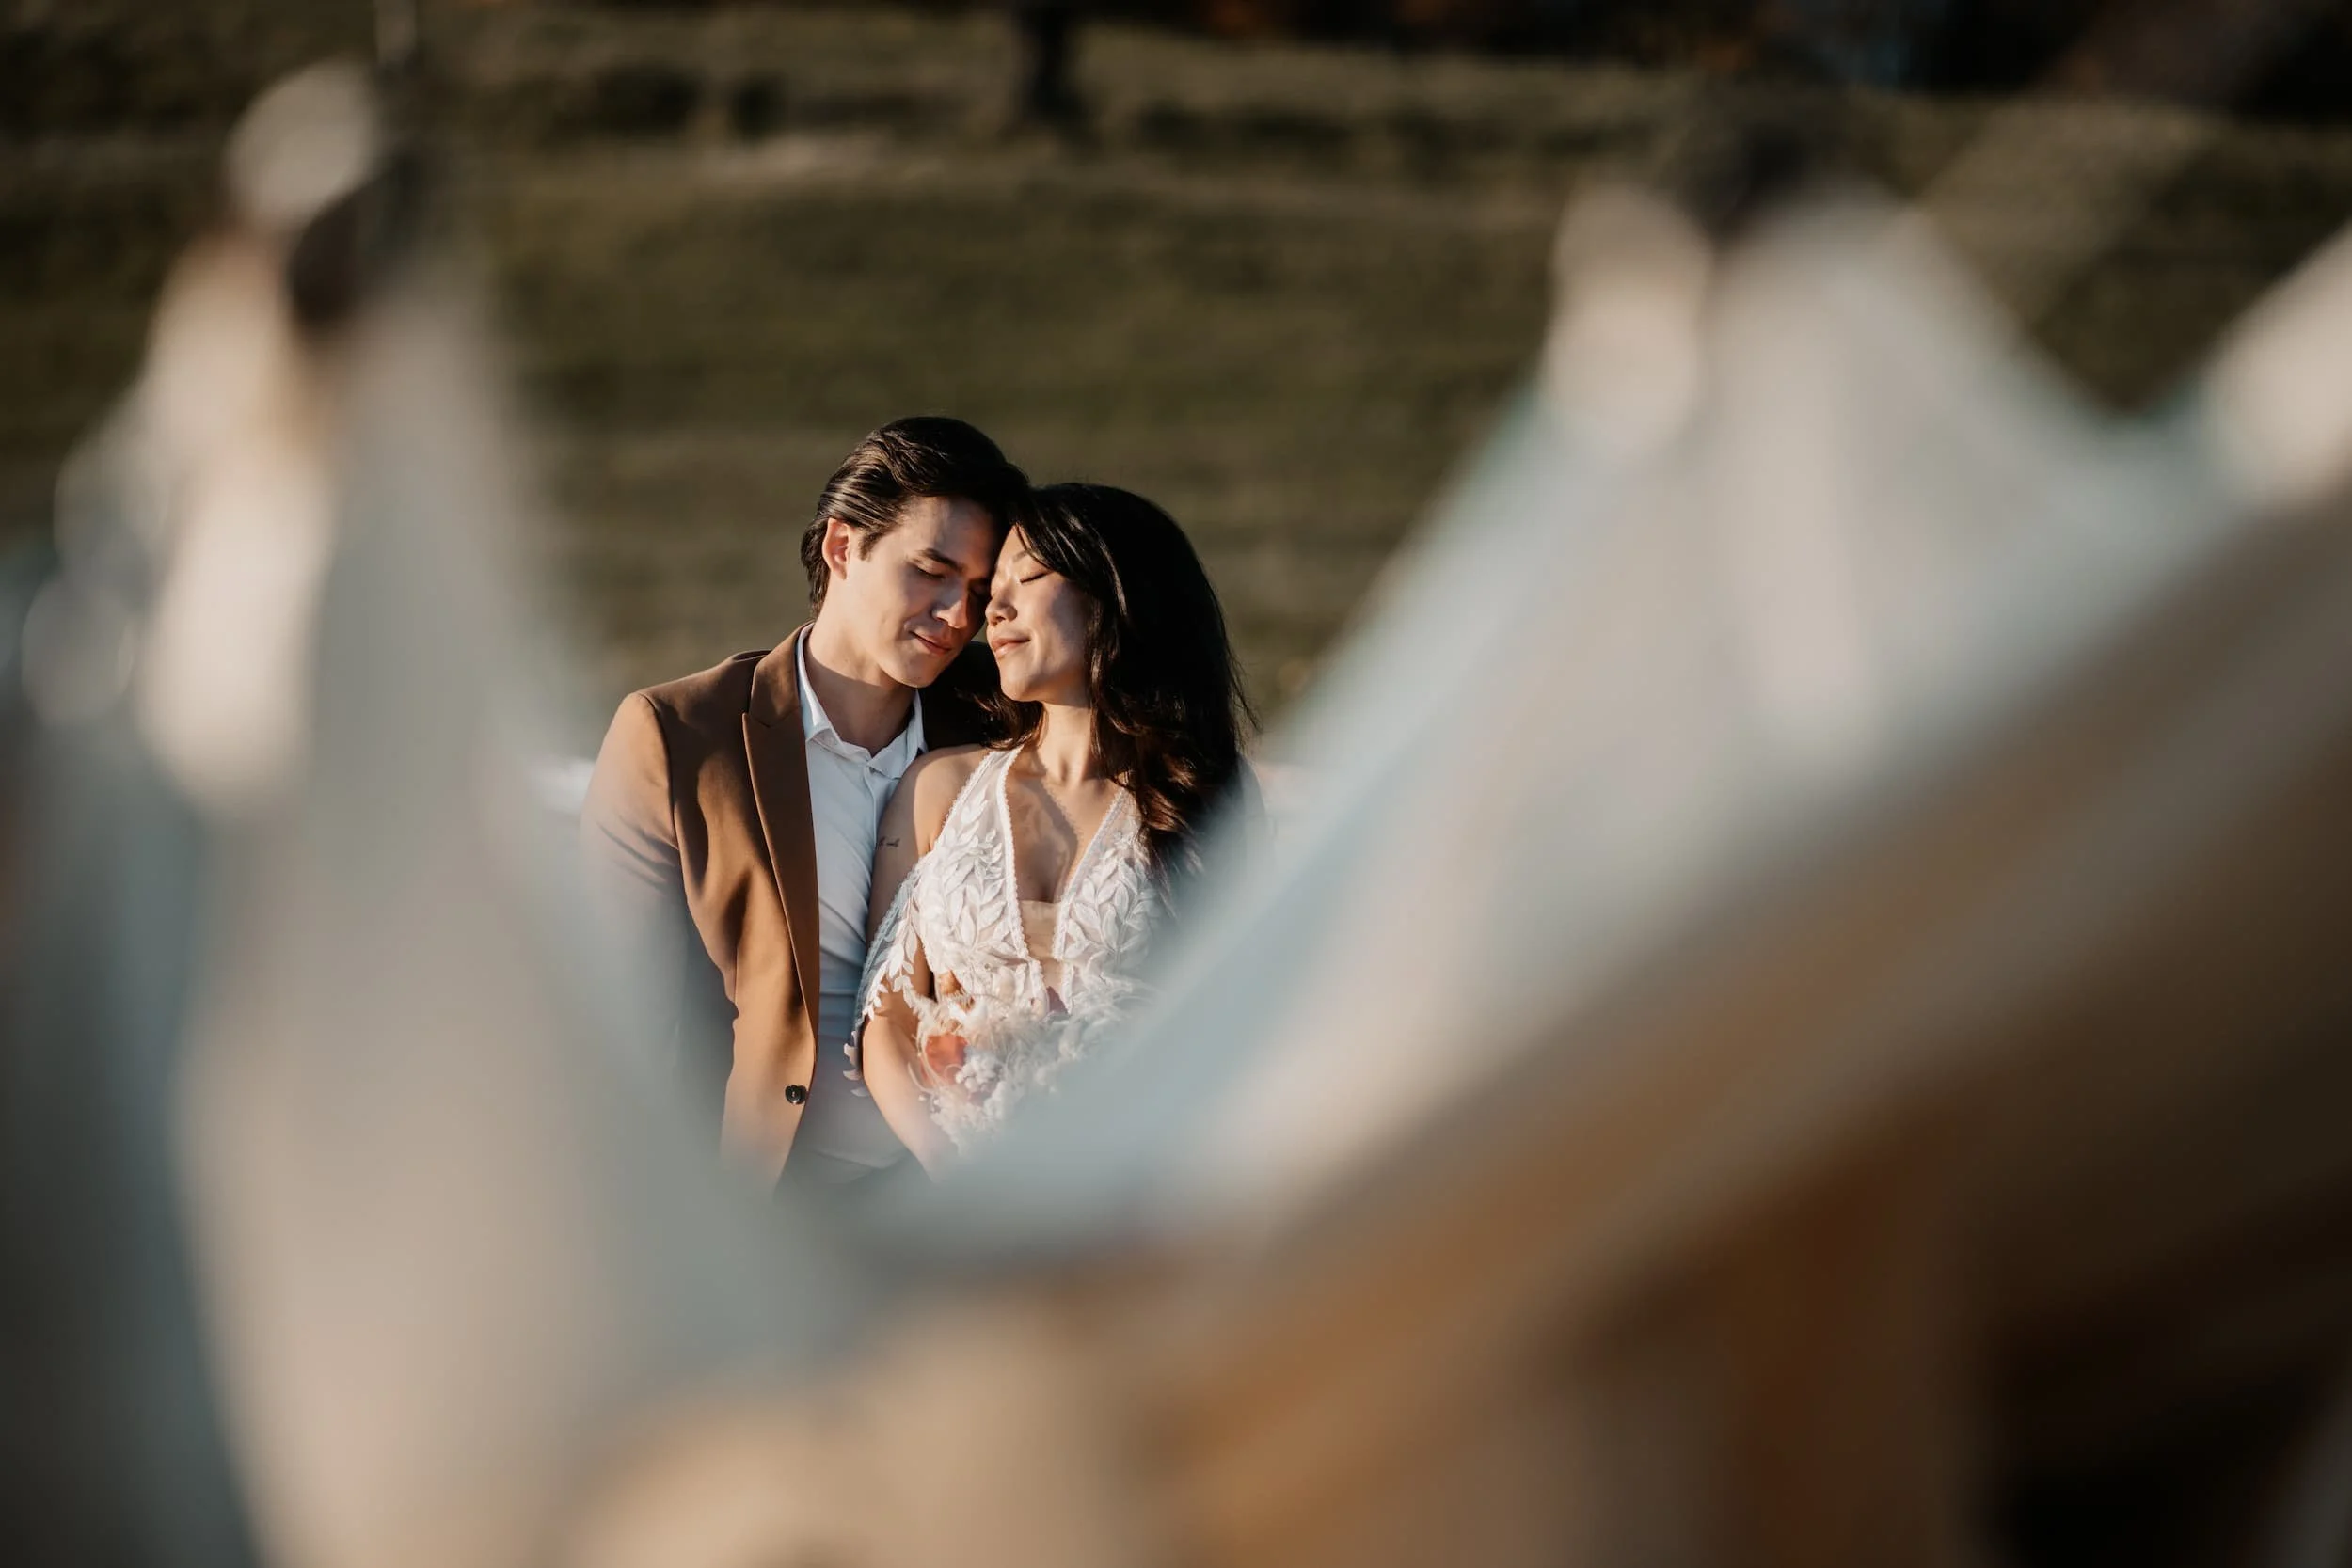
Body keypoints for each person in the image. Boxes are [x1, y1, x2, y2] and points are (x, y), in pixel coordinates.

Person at [580, 417, 1030, 1187]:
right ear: (842, 546)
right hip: (754, 1202)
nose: (958, 615)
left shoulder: (1004, 734)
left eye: (979, 591)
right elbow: (613, 1024)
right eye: (932, 570)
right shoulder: (679, 737)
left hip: (953, 1192)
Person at [853, 483, 1253, 1169]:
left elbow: (1243, 1020)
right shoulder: (941, 787)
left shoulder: (1202, 799)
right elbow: (884, 1023)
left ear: (1112, 594)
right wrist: (954, 1175)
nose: (992, 610)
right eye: (992, 589)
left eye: (1029, 577)